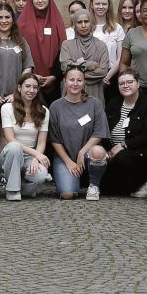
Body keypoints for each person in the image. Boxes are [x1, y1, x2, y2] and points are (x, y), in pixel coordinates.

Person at [48, 66, 109, 201]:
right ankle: (72, 181)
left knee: (98, 151)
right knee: (67, 194)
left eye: (79, 80)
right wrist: (69, 162)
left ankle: (94, 186)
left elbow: (99, 132)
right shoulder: (56, 106)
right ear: (65, 81)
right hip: (65, 156)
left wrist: (82, 152)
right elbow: (54, 139)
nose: (75, 83)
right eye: (71, 80)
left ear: (84, 82)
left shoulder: (94, 103)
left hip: (88, 153)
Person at [100, 68, 147, 197]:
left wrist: (123, 145)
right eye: (121, 83)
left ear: (138, 84)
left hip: (139, 151)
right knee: (108, 191)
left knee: (122, 158)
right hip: (113, 151)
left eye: (130, 82)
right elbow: (104, 129)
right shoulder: (113, 103)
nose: (125, 85)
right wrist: (106, 150)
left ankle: (145, 180)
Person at [0, 71, 50, 200]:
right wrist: (37, 154)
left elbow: (42, 142)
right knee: (15, 147)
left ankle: (14, 183)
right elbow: (10, 139)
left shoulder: (44, 111)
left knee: (41, 176)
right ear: (19, 88)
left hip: (30, 158)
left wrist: (36, 159)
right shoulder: (7, 108)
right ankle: (13, 191)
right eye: (27, 86)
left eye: (35, 87)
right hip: (9, 154)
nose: (31, 90)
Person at [17, 0, 64, 100]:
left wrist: (54, 76)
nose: (40, 0)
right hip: (29, 81)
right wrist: (30, 75)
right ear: (31, 0)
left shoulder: (57, 20)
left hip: (54, 80)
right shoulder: (22, 22)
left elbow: (63, 49)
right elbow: (17, 50)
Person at [59, 8, 109, 103]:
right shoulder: (67, 45)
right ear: (74, 25)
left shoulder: (101, 46)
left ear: (91, 23)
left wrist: (74, 74)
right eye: (79, 22)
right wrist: (90, 65)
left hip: (95, 94)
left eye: (86, 21)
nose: (83, 25)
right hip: (71, 97)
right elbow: (65, 67)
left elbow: (103, 71)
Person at [89, 0, 126, 96]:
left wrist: (107, 77)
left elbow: (121, 57)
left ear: (109, 5)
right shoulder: (86, 27)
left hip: (112, 76)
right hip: (91, 76)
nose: (101, 7)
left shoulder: (117, 28)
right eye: (97, 4)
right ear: (92, 5)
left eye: (104, 4)